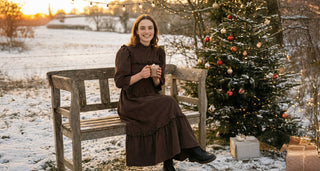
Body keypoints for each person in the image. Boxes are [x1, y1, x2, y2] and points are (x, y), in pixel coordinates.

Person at [114, 14, 216, 171]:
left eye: (150, 28)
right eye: (142, 28)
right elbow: (120, 82)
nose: (146, 31)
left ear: (155, 31)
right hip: (132, 102)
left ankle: (170, 164)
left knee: (167, 109)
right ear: (136, 31)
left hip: (152, 99)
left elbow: (158, 85)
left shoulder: (158, 52)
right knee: (168, 103)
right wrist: (140, 75)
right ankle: (193, 150)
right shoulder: (126, 51)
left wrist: (155, 78)